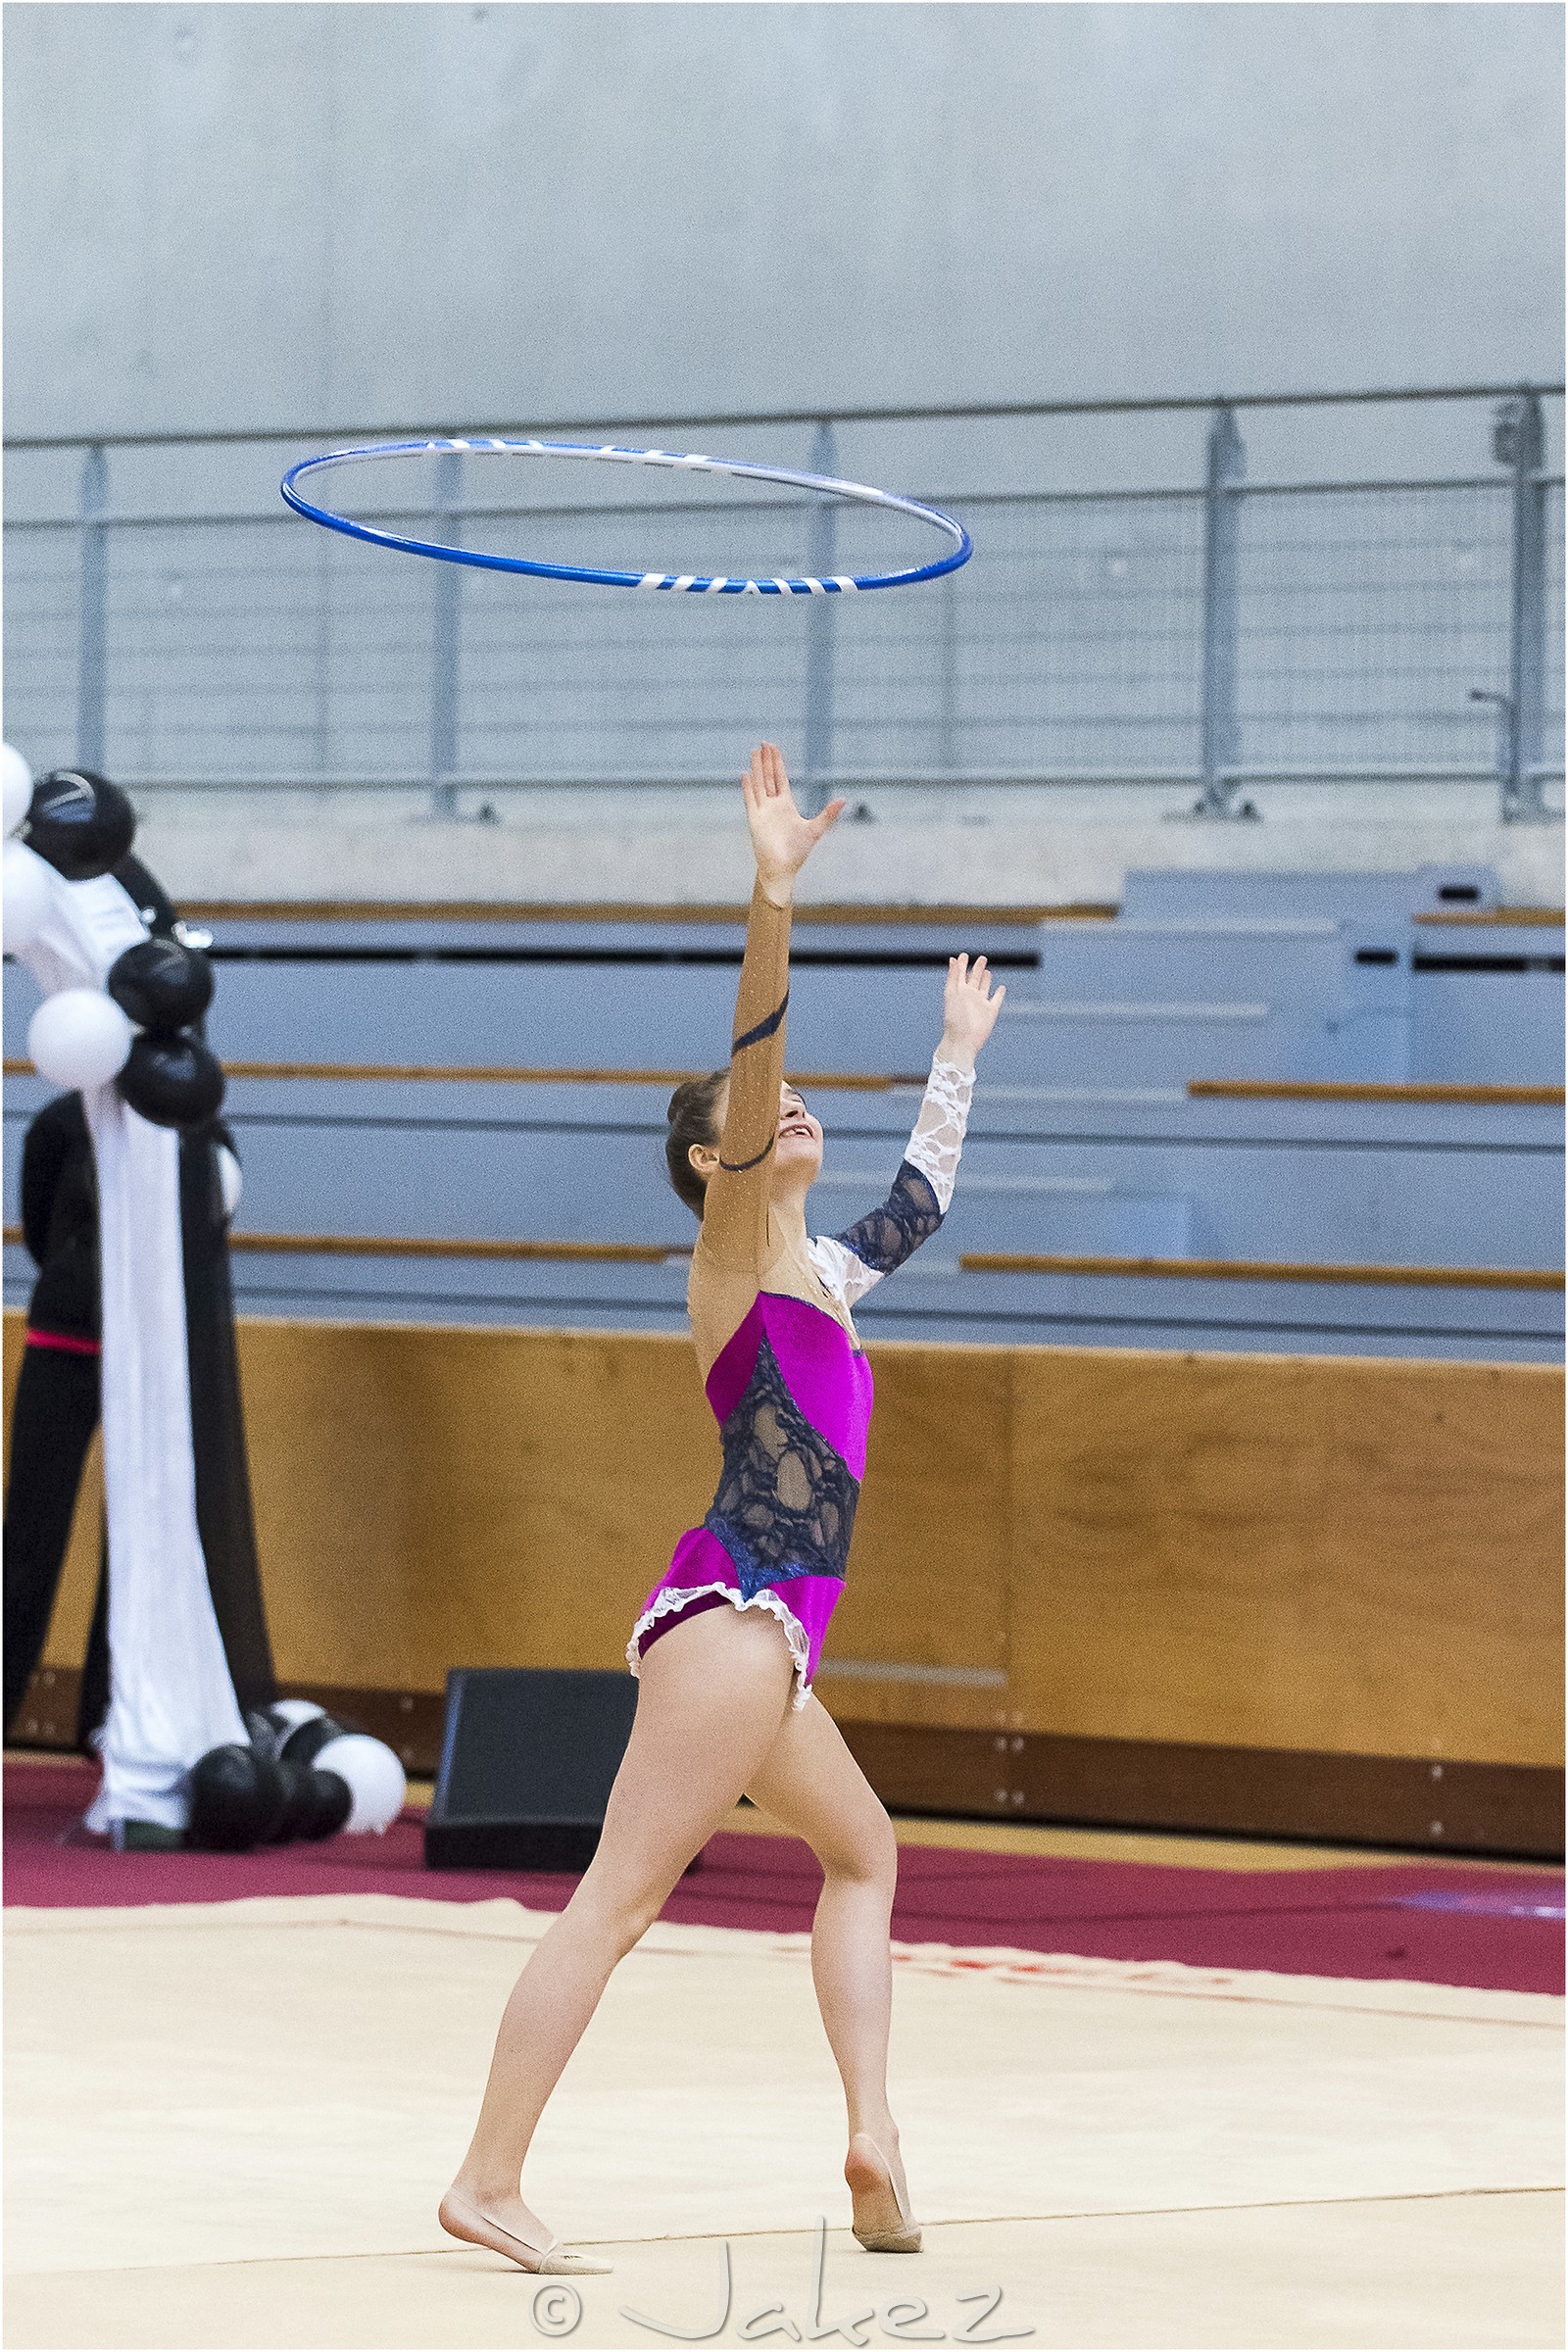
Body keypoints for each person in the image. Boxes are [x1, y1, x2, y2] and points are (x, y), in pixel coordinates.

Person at [439, 744, 1004, 2275]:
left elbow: (922, 1200)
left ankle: (875, 2136)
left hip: (771, 1644)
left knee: (865, 1852)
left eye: (809, 1105)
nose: (797, 1110)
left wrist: (955, 1053)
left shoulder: (821, 1274)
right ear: (717, 1159)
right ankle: (488, 2176)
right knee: (615, 1906)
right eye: (770, 1112)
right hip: (733, 1615)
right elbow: (757, 1055)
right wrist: (772, 895)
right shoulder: (735, 1251)